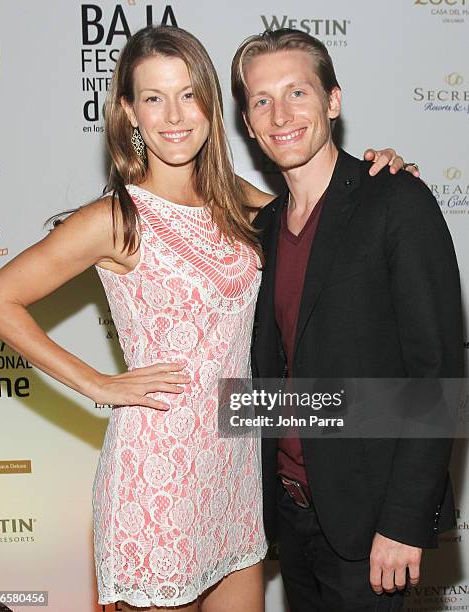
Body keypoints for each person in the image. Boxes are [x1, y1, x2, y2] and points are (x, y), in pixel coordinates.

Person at [0, 25, 413, 612]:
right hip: (157, 478)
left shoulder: (236, 199)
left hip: (235, 476)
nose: (174, 115)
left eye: (189, 94)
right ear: (129, 111)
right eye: (153, 98)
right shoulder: (117, 218)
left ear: (211, 103)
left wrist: (378, 174)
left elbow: (326, 206)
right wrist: (98, 384)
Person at [231, 28, 463, 612]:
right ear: (248, 120)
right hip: (288, 516)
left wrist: (405, 521)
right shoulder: (263, 230)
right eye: (262, 100)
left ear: (333, 101)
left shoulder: (397, 202)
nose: (280, 114)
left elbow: (436, 373)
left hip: (370, 526)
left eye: (297, 93)